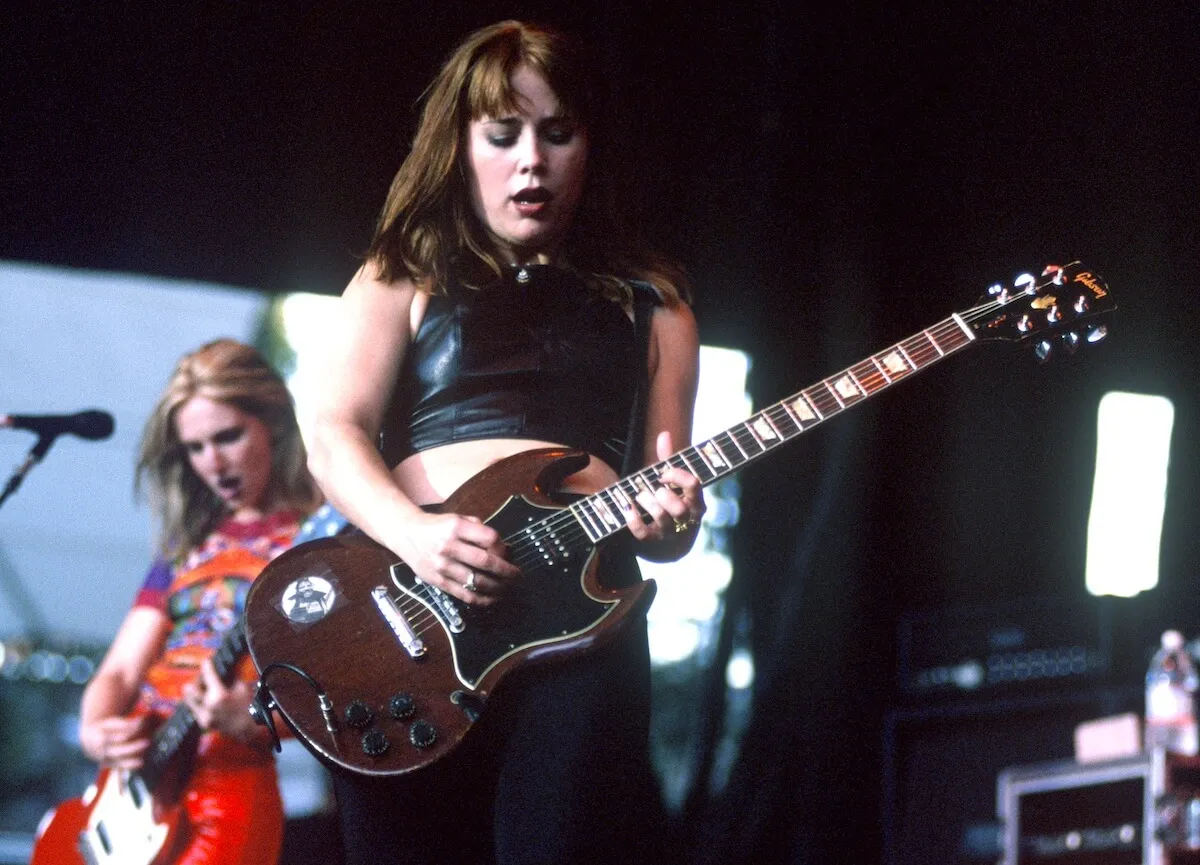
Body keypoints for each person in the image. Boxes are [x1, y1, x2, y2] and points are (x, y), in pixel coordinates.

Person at [306, 19, 705, 865]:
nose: (533, 159)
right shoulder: (400, 271)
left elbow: (669, 512)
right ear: (462, 145)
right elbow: (331, 431)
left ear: (588, 149)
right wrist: (417, 534)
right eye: (504, 133)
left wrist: (672, 523)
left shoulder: (657, 309)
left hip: (582, 631)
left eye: (558, 133)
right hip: (410, 623)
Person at [77, 338, 324, 865]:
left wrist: (257, 722)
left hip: (233, 774)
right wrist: (96, 731)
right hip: (135, 783)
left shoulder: (323, 534)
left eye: (229, 437)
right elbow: (121, 670)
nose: (213, 463)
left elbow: (341, 691)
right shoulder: (186, 545)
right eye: (195, 447)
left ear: (275, 423)